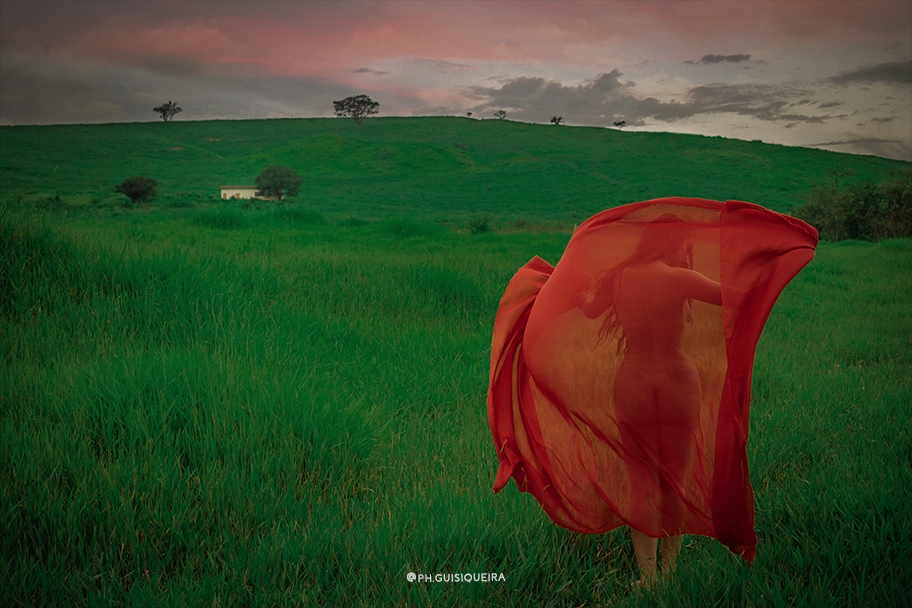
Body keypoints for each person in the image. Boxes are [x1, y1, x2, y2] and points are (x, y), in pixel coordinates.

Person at [579, 214, 722, 586]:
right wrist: (764, 265)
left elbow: (590, 307)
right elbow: (734, 297)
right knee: (674, 482)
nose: (688, 253)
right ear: (674, 243)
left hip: (633, 381)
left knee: (641, 483)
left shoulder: (621, 277)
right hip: (677, 380)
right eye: (686, 246)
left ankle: (648, 579)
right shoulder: (679, 279)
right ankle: (671, 574)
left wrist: (577, 290)